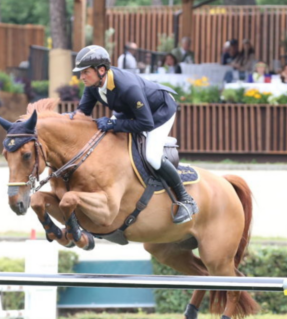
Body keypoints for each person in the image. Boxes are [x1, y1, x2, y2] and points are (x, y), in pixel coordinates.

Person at [71, 45, 197, 224]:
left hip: (159, 112)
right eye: (81, 72)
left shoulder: (127, 87)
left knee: (152, 157)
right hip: (130, 112)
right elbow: (82, 113)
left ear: (101, 70)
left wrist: (114, 123)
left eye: (85, 72)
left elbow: (146, 123)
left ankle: (186, 200)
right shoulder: (93, 85)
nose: (81, 77)